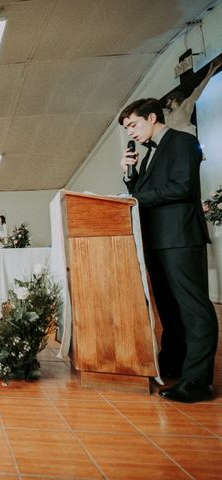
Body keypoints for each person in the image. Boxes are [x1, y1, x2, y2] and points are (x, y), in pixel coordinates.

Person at [119, 98, 218, 403]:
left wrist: (136, 199)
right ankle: (173, 364)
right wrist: (130, 175)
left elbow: (182, 187)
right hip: (158, 239)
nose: (131, 132)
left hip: (180, 236)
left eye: (133, 124)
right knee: (170, 310)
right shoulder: (147, 155)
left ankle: (198, 381)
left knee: (193, 308)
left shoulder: (182, 142)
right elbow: (144, 193)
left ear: (152, 117)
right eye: (127, 128)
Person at [165, 58, 221, 136]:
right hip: (174, 142)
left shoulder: (186, 105)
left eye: (168, 100)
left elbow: (198, 89)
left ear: (174, 99)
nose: (166, 103)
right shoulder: (168, 113)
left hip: (186, 138)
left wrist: (212, 70)